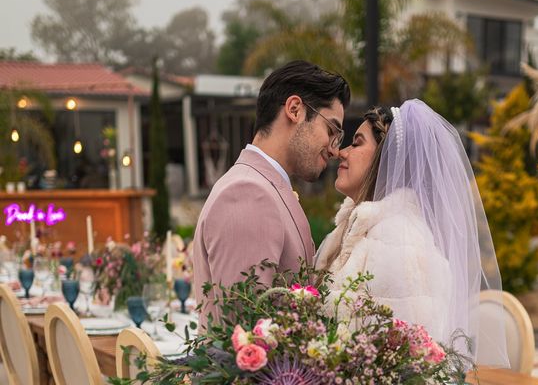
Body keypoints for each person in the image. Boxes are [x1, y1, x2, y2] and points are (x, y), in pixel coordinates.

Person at [315, 99, 509, 366]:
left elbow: (402, 364)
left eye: (357, 143)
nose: (342, 152)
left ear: (387, 158)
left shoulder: (399, 242)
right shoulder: (357, 229)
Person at [193, 60, 350, 327]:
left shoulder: (265, 185)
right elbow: (242, 332)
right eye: (331, 130)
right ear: (294, 109)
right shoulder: (247, 193)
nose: (335, 149)